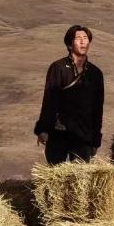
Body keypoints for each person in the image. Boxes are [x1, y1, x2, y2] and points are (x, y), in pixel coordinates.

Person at [34, 25, 104, 165]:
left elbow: (98, 109)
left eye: (86, 38)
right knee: (54, 172)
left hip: (83, 135)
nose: (83, 41)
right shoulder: (58, 67)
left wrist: (95, 141)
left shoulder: (95, 73)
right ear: (69, 44)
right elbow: (50, 100)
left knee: (80, 175)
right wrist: (43, 129)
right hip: (59, 131)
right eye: (78, 38)